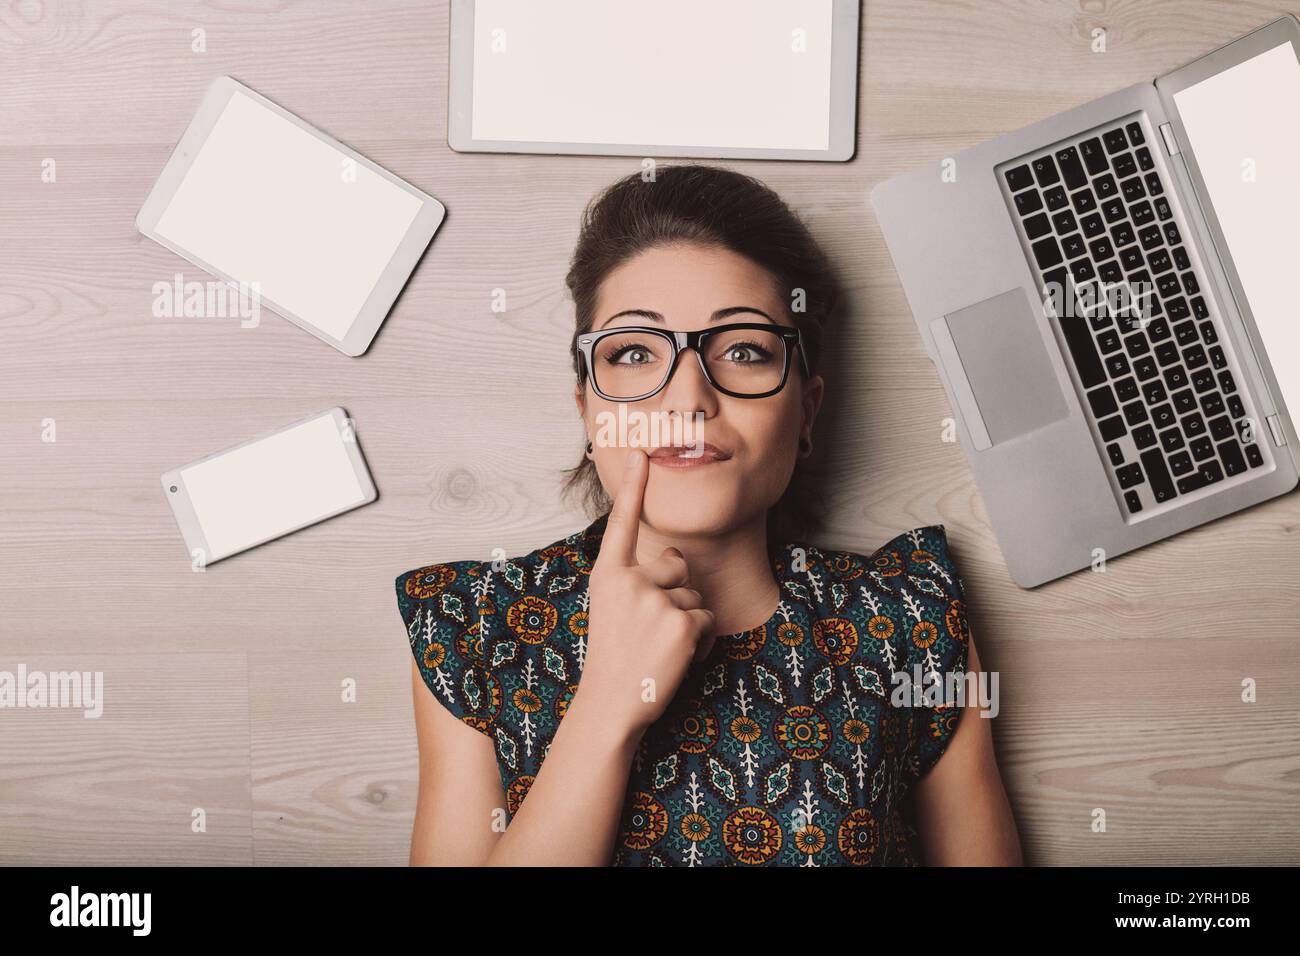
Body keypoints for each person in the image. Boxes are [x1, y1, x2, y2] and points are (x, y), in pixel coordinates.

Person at [397, 164, 1022, 866]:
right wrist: (606, 703)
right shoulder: (471, 627)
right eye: (635, 352)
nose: (688, 401)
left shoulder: (914, 620)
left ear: (806, 410)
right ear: (588, 411)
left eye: (745, 351)